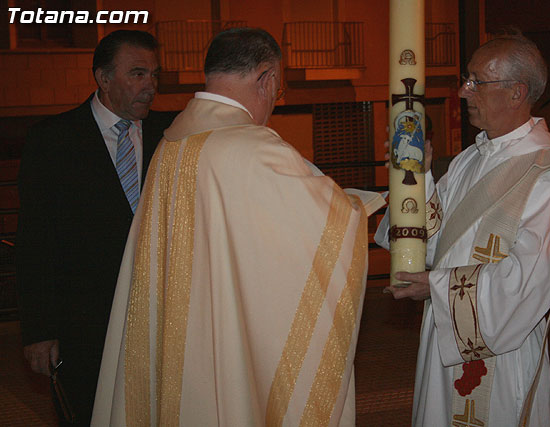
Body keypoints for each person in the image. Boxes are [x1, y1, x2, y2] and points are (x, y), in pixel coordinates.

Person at [91, 27, 384, 426]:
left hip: (184, 343)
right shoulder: (255, 149)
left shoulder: (170, 144)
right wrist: (368, 202)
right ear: (266, 78)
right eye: (278, 90)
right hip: (220, 346)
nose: (275, 102)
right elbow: (327, 226)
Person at [375, 33, 550, 426]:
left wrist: (436, 288)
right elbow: (435, 244)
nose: (463, 91)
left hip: (500, 355)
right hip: (444, 339)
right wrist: (415, 176)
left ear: (516, 92)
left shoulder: (546, 176)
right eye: (466, 79)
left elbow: (530, 283)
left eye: (476, 81)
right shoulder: (471, 159)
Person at [16, 30, 176, 425]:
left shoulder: (172, 137)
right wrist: (39, 330)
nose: (150, 86)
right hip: (84, 327)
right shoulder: (51, 140)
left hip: (161, 324)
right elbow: (36, 241)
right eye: (137, 74)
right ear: (103, 79)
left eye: (154, 75)